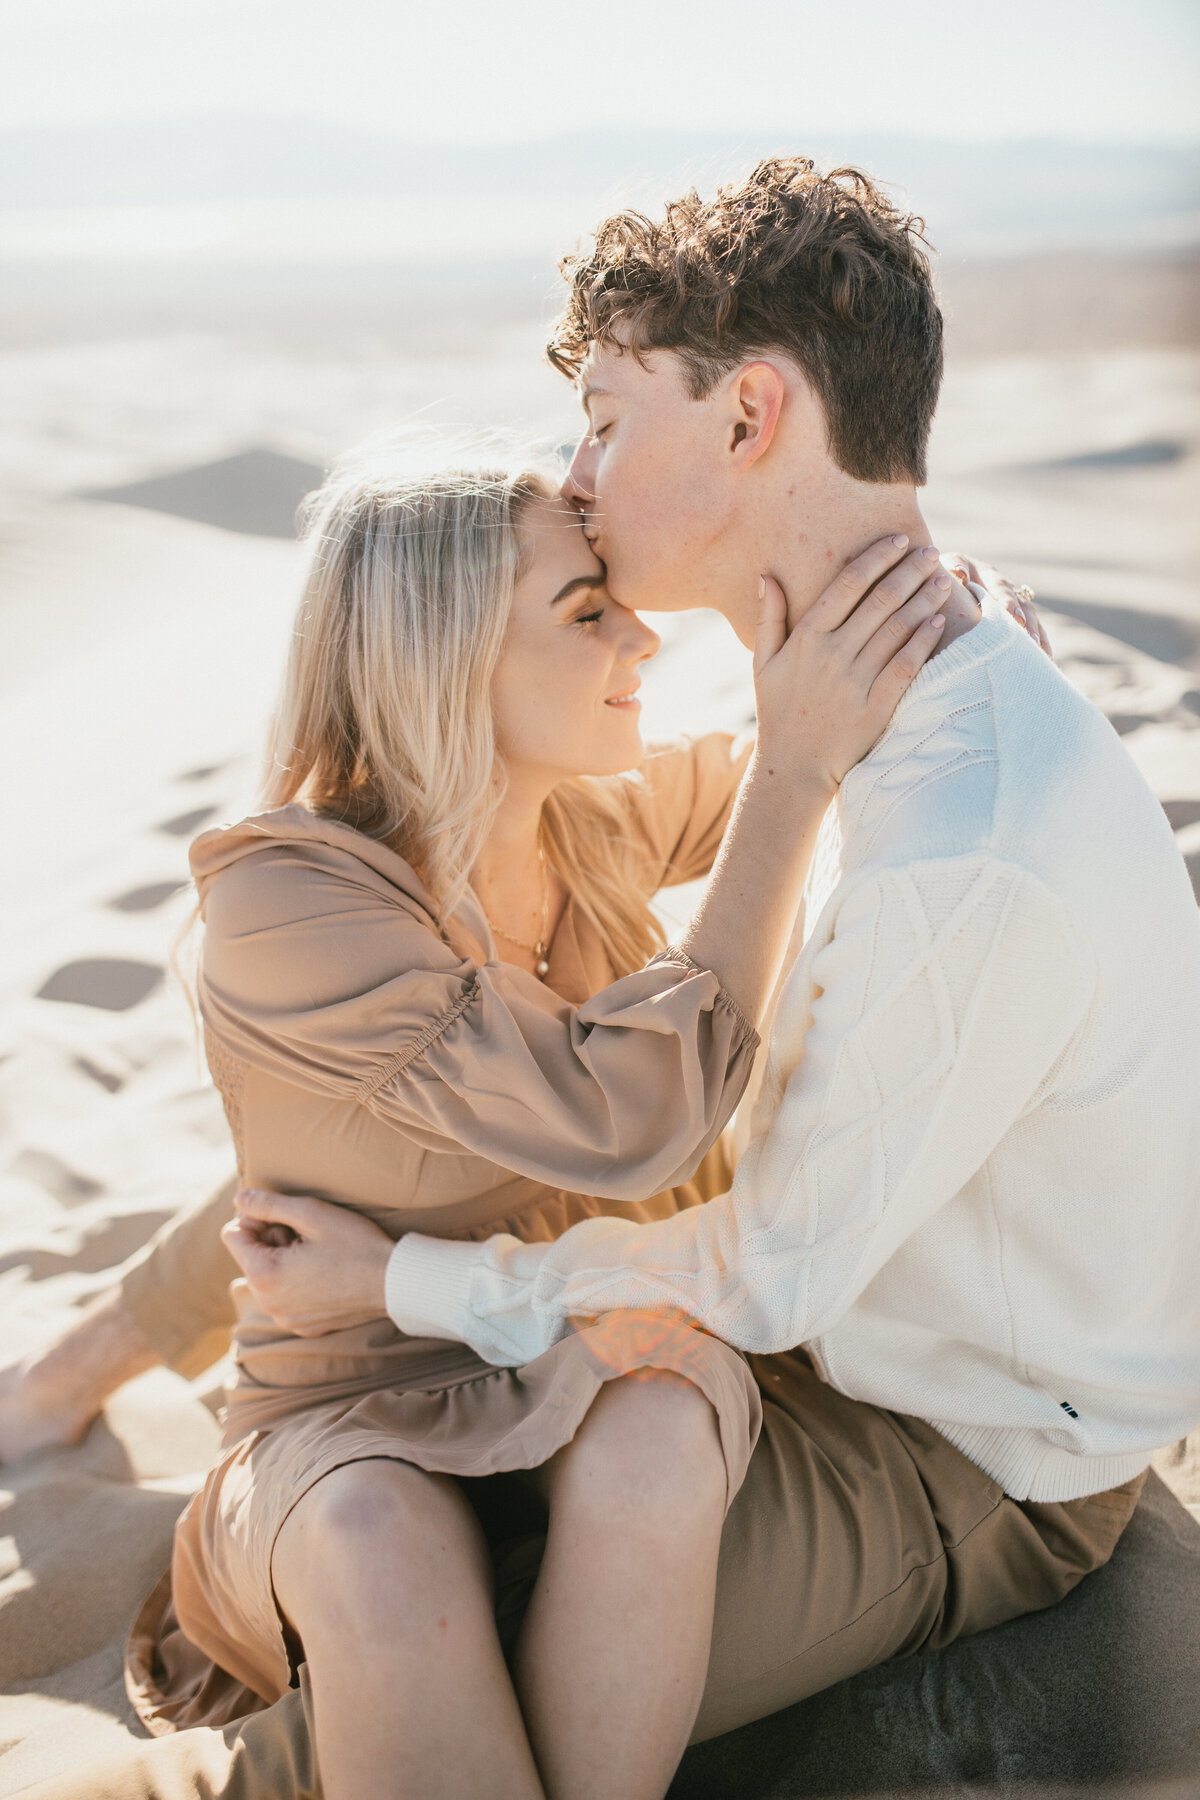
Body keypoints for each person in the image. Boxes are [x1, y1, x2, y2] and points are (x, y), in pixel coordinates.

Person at [7, 156, 1169, 1800]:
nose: (597, 510)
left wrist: (906, 699)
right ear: (452, 674)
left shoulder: (669, 818)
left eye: (609, 422)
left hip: (762, 1392)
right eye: (577, 607)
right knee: (392, 1566)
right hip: (440, 1410)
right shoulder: (312, 898)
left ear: (750, 417)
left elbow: (693, 1220)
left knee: (577, 1522)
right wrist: (107, 1362)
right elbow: (331, 1188)